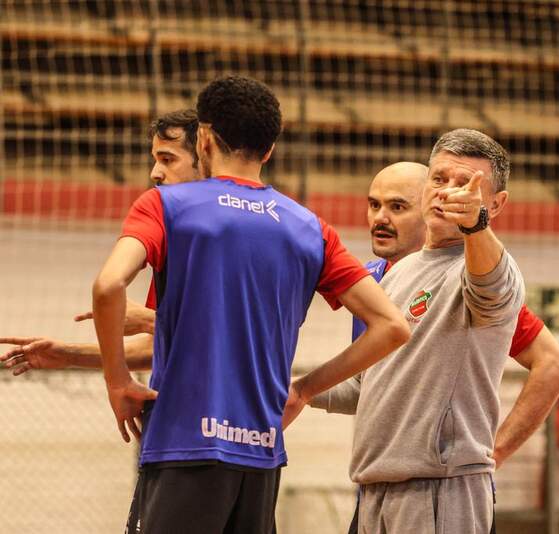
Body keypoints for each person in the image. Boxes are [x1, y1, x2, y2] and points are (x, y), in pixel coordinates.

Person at [91, 75, 409, 533]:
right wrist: (303, 389)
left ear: (203, 138)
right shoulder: (309, 228)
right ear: (269, 149)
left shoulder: (166, 204)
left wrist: (117, 380)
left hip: (185, 446)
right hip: (261, 454)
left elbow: (107, 287)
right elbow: (392, 327)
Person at [293, 128, 557, 533]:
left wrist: (476, 225)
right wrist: (295, 387)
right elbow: (371, 386)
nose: (448, 193)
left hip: (439, 487)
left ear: (495, 203)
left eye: (466, 185)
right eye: (439, 179)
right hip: (375, 486)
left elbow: (496, 292)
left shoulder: (486, 270)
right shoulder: (396, 275)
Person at [0, 109, 202, 374]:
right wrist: (67, 354)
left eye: (167, 160)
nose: (155, 173)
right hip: (178, 404)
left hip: (228, 408)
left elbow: (248, 340)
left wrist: (150, 321)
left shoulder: (248, 232)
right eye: (155, 160)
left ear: (206, 156)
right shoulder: (173, 232)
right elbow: (160, 348)